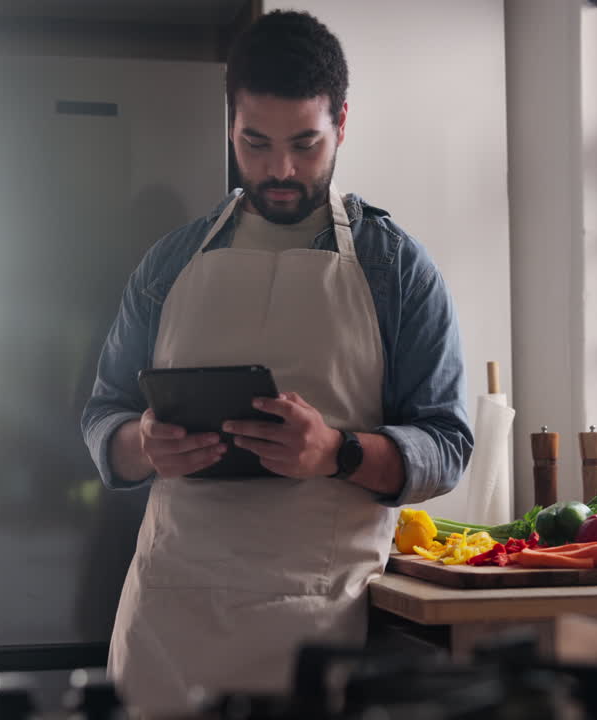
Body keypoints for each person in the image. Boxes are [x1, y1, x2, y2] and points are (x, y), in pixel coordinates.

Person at [80, 10, 472, 716]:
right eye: (255, 143)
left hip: (318, 622)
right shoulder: (169, 263)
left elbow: (448, 443)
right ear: (230, 120)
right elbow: (101, 413)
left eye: (305, 143)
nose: (280, 169)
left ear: (342, 123)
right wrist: (144, 442)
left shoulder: (396, 269)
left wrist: (337, 452)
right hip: (169, 619)